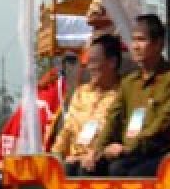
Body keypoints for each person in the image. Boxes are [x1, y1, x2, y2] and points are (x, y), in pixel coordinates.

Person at [82, 15, 170, 176]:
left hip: (155, 152)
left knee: (121, 170)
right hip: (126, 152)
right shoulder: (129, 83)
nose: (135, 46)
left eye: (141, 40)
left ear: (158, 44)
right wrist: (97, 150)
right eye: (133, 40)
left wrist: (128, 148)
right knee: (84, 168)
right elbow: (112, 119)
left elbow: (161, 124)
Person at [49, 34, 123, 175]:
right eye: (88, 62)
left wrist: (99, 153)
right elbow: (67, 130)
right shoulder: (81, 93)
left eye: (94, 61)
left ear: (112, 62)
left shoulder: (122, 93)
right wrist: (56, 156)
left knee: (85, 169)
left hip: (100, 160)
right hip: (73, 160)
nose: (89, 67)